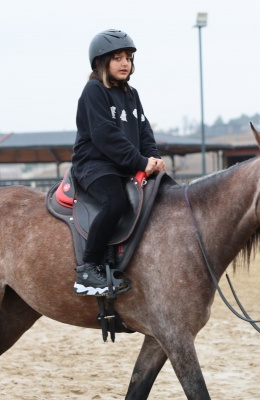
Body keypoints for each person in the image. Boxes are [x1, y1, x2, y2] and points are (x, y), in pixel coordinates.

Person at [71, 29, 165, 296]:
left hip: (123, 165)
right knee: (116, 202)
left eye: (128, 58)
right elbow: (105, 135)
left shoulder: (132, 94)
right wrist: (139, 160)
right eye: (117, 58)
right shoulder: (94, 91)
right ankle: (88, 271)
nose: (125, 63)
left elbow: (144, 131)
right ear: (101, 62)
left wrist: (153, 157)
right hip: (95, 165)